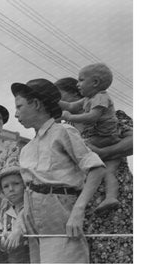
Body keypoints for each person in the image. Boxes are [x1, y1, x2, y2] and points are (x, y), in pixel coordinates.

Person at [8, 78, 107, 263]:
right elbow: (29, 193)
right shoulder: (27, 149)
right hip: (34, 230)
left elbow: (97, 169)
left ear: (36, 104)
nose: (15, 114)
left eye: (19, 107)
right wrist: (19, 226)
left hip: (61, 224)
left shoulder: (63, 132)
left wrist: (78, 210)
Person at [56, 79, 133, 263]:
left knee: (117, 247)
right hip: (81, 199)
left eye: (59, 97)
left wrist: (104, 153)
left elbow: (134, 140)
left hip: (114, 193)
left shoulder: (109, 116)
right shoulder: (64, 128)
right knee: (85, 252)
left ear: (77, 96)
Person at [59, 63, 120, 214]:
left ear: (95, 83)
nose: (78, 84)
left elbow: (92, 117)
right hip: (103, 138)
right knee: (108, 171)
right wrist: (52, 100)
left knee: (80, 145)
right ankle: (111, 197)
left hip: (105, 136)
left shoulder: (100, 97)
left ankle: (111, 196)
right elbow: (70, 106)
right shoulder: (88, 98)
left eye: (80, 80)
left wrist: (70, 117)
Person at [0, 166, 30, 263]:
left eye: (16, 184)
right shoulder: (5, 211)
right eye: (6, 186)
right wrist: (5, 240)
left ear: (25, 185)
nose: (11, 189)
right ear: (2, 191)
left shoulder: (32, 207)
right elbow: (2, 242)